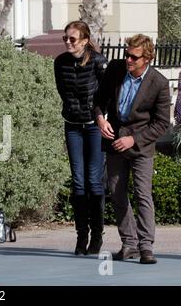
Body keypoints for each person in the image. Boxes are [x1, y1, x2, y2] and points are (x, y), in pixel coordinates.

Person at [94, 34, 171, 264]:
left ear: (146, 59)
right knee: (117, 193)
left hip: (141, 147)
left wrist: (134, 139)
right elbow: (98, 100)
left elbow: (161, 123)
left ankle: (146, 246)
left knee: (142, 194)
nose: (128, 59)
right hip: (114, 142)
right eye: (126, 54)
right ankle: (129, 243)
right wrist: (100, 119)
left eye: (133, 57)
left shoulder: (159, 83)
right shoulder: (116, 69)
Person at [54, 21, 108, 255]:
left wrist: (100, 117)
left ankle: (96, 236)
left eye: (72, 39)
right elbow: (62, 91)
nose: (67, 42)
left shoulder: (98, 61)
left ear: (85, 41)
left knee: (94, 181)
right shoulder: (60, 62)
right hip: (73, 125)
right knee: (78, 181)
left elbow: (106, 94)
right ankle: (81, 235)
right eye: (65, 38)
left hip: (94, 126)